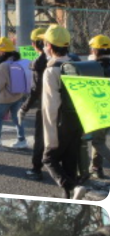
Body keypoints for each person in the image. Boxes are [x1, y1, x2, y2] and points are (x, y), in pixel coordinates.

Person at [40, 25, 85, 199]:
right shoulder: (76, 66)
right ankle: (70, 196)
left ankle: (73, 187)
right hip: (76, 121)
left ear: (49, 46)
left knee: (48, 159)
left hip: (60, 122)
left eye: (45, 43)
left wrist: (50, 137)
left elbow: (51, 106)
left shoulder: (51, 70)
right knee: (69, 163)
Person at [0, 37, 28, 149]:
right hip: (17, 95)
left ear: (2, 52)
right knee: (17, 118)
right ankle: (22, 139)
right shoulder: (17, 61)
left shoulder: (3, 65)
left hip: (5, 97)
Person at [20, 28, 49, 180]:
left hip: (46, 107)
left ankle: (37, 169)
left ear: (34, 44)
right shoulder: (68, 58)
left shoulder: (39, 62)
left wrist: (24, 108)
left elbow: (35, 90)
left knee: (41, 139)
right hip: (66, 107)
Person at [86, 35, 110, 179]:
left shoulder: (94, 67)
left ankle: (96, 167)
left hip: (100, 109)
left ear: (95, 50)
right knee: (99, 138)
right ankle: (96, 167)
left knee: (97, 141)